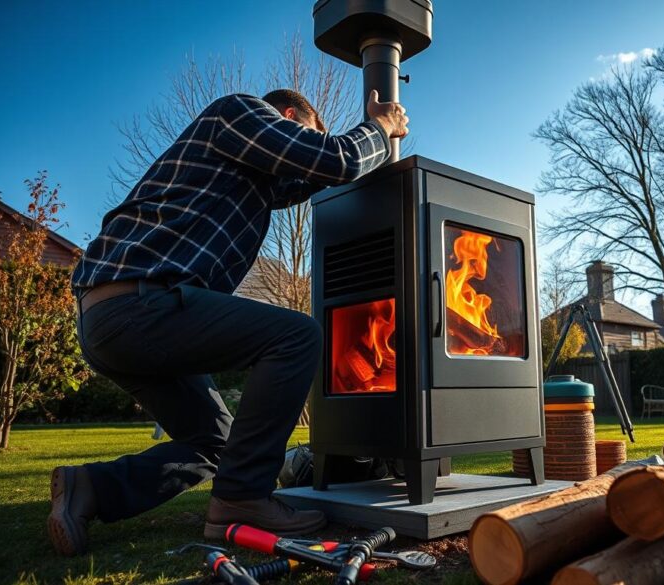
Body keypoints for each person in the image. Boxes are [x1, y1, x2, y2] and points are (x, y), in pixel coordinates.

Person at [47, 88, 408, 556]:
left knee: (216, 444)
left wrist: (365, 166)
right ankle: (241, 500)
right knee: (297, 336)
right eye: (309, 132)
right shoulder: (239, 111)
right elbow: (332, 159)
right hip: (139, 302)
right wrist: (381, 127)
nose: (307, 146)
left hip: (117, 316)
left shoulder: (249, 176)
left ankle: (90, 488)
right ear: (289, 115)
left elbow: (312, 176)